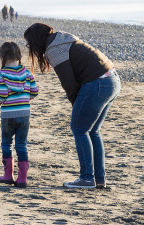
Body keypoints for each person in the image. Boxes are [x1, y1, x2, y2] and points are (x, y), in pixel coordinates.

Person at [24, 23, 121, 189]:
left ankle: (86, 178)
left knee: (79, 129)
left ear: (36, 40)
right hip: (112, 80)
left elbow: (69, 84)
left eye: (28, 44)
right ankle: (99, 179)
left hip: (97, 83)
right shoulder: (63, 38)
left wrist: (76, 105)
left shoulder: (54, 49)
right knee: (92, 131)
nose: (29, 48)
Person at [0, 42, 39, 188]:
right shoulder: (27, 73)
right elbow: (35, 91)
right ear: (19, 56)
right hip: (24, 114)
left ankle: (8, 175)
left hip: (8, 115)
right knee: (21, 145)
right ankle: (22, 178)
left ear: (2, 57)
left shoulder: (2, 74)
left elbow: (3, 94)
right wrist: (26, 98)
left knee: (7, 143)